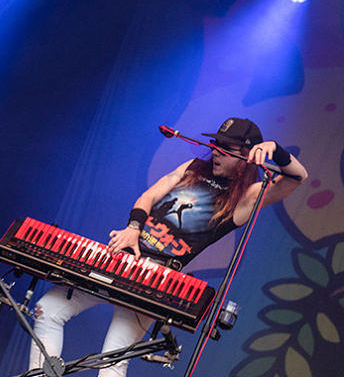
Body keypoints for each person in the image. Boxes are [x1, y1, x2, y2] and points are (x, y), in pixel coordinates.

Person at [27, 117, 308, 377]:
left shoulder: (247, 196)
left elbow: (298, 177)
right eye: (216, 144)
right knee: (46, 310)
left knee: (112, 360)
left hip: (156, 279)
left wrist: (275, 149)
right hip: (122, 257)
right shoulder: (192, 168)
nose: (216, 152)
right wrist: (133, 228)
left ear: (246, 157)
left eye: (226, 149)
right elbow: (149, 197)